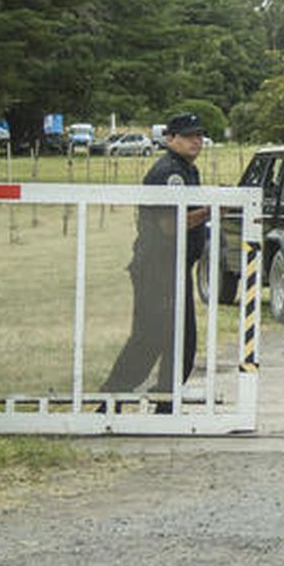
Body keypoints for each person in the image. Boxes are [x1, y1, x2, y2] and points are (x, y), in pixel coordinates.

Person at [102, 113, 209, 397]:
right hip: (158, 268)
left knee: (181, 341)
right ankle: (110, 398)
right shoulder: (169, 173)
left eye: (199, 135)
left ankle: (165, 401)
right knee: (150, 338)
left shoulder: (186, 169)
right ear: (170, 139)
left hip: (174, 267)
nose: (195, 141)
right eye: (188, 136)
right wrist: (212, 210)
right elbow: (170, 225)